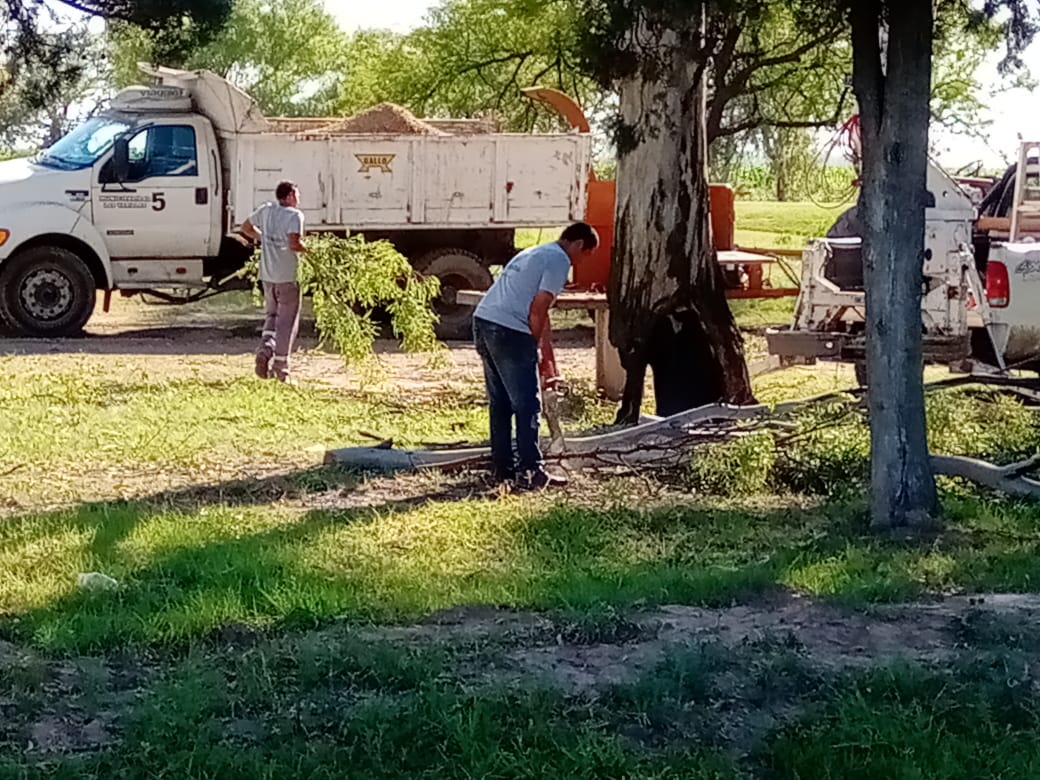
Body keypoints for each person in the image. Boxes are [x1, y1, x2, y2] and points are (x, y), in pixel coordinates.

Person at [472, 222, 599, 489]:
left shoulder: (536, 252)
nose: (581, 261)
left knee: (500, 403)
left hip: (484, 320)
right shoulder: (559, 260)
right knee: (527, 404)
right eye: (585, 254)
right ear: (578, 244)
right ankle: (531, 470)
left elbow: (541, 310)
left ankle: (503, 470)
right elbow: (538, 309)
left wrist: (546, 354)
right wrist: (533, 347)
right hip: (509, 329)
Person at [241, 181, 308, 382]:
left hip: (268, 276)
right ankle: (281, 369)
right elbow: (294, 244)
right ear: (289, 196)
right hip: (288, 276)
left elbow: (245, 227)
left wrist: (264, 238)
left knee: (272, 316)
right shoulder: (295, 215)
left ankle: (265, 348)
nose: (298, 199)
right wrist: (311, 251)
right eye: (296, 195)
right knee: (287, 322)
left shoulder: (266, 210)